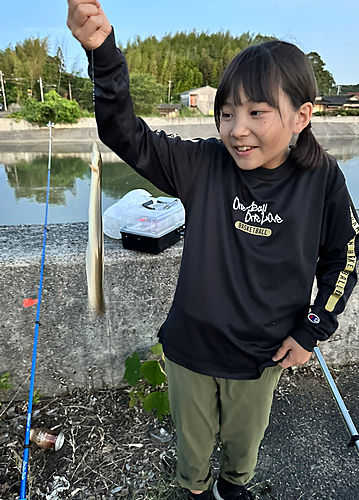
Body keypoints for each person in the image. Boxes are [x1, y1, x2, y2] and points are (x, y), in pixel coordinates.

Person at [67, 2, 359, 499]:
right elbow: (125, 134)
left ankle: (234, 485)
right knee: (193, 445)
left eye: (256, 113)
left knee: (246, 443)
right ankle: (196, 487)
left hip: (262, 355)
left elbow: (345, 257)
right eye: (226, 114)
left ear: (301, 116)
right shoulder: (203, 164)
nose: (236, 129)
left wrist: (314, 330)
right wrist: (103, 54)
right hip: (190, 349)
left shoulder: (323, 180)